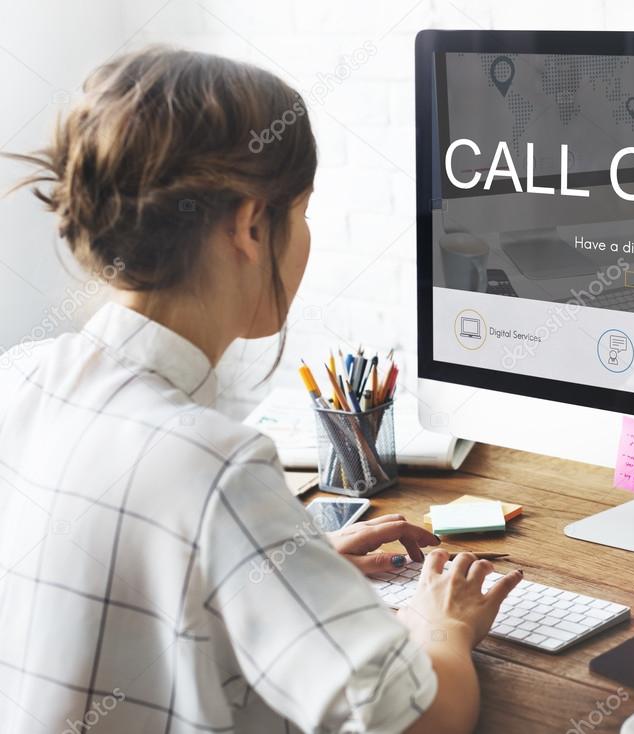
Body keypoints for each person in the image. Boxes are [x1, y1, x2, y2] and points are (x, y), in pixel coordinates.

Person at [0, 47, 520, 733]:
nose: (302, 238)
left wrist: (278, 567)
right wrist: (439, 623)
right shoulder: (215, 465)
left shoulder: (19, 374)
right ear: (249, 226)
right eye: (300, 213)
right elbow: (421, 720)